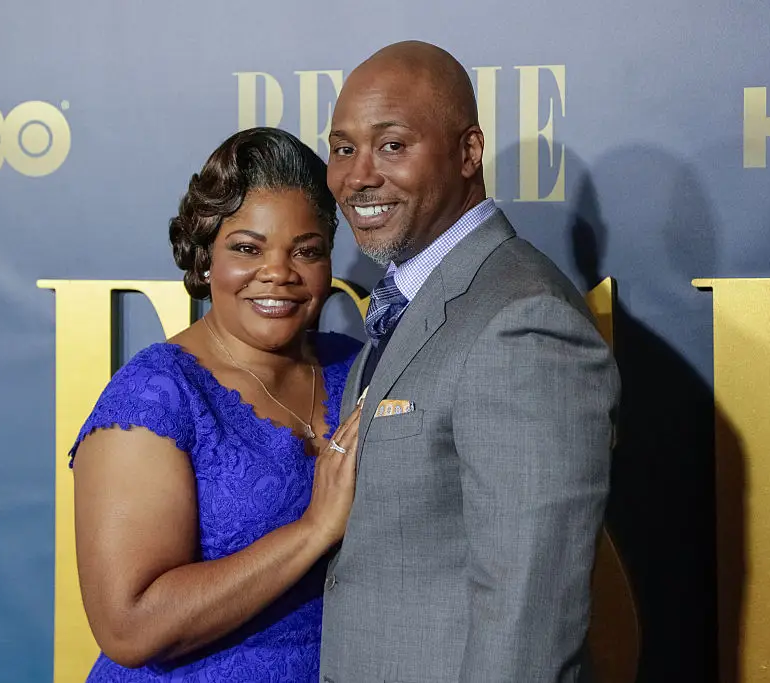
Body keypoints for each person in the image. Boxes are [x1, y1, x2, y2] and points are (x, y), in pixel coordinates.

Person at [319, 41, 621, 682]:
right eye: (343, 148)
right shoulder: (420, 292)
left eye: (392, 145)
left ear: (469, 152)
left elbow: (530, 619)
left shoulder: (522, 319)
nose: (358, 176)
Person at [70, 127, 362, 682]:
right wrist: (313, 530)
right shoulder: (157, 394)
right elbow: (129, 628)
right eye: (248, 248)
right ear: (206, 260)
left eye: (307, 251)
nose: (278, 272)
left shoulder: (360, 369)